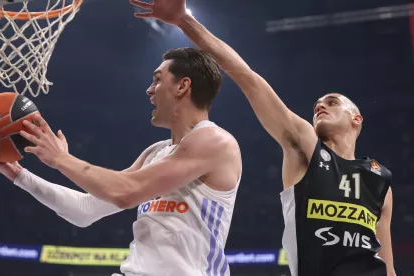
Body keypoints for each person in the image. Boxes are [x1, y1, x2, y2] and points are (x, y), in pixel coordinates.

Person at [128, 0, 396, 275]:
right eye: (317, 103)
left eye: (332, 102)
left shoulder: (380, 180)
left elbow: (387, 266)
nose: (320, 106)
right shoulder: (304, 146)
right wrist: (184, 20)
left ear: (357, 119)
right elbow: (247, 77)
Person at [0, 47, 242, 276]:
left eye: (157, 80)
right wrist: (19, 175)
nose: (149, 90)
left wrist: (62, 159)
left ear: (183, 86)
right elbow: (85, 209)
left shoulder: (215, 141)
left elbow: (125, 192)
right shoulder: (154, 153)